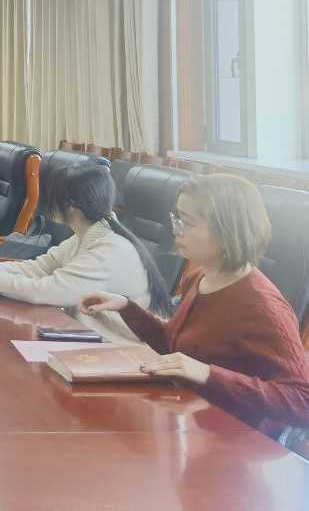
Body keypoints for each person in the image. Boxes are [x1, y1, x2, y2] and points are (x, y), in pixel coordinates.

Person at [79, 175, 309, 438]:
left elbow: (302, 402)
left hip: (234, 440)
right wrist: (126, 307)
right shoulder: (199, 277)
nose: (176, 230)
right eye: (176, 218)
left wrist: (209, 374)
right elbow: (177, 348)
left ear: (227, 229)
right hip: (187, 421)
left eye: (187, 223)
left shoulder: (264, 307)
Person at [0, 161, 171, 342]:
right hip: (85, 337)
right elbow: (36, 268)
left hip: (118, 352)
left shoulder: (105, 253)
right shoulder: (84, 238)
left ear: (71, 205)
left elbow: (43, 290)